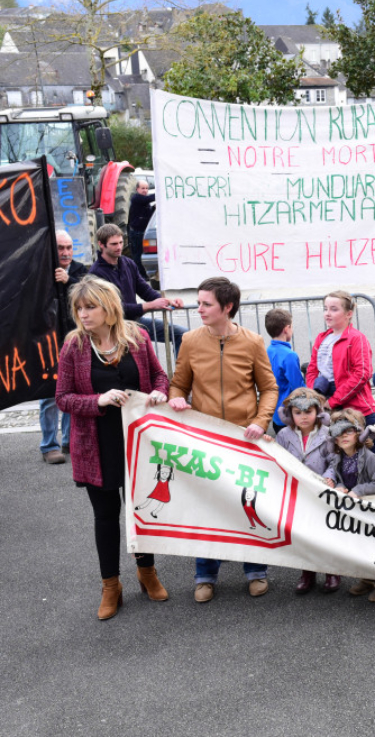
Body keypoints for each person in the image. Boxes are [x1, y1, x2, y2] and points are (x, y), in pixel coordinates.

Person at [55, 276, 170, 620]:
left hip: (138, 442)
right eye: (79, 307)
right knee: (105, 517)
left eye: (90, 306)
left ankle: (147, 572)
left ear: (110, 307)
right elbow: (63, 398)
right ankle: (110, 585)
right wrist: (98, 400)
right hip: (95, 445)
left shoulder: (137, 337)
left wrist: (159, 393)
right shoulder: (74, 345)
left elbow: (160, 376)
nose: (83, 314)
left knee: (140, 511)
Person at [168, 276, 279, 603]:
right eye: (199, 302)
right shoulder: (189, 340)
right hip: (205, 441)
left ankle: (256, 571)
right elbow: (179, 385)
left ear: (227, 307)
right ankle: (205, 575)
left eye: (206, 303)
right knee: (207, 507)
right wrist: (176, 398)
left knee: (248, 503)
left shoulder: (253, 342)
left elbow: (269, 388)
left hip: (245, 439)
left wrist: (260, 421)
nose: (198, 308)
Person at [273, 388, 340, 595]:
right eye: (298, 413)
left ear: (318, 412)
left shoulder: (327, 434)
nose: (303, 417)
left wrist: (330, 476)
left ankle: (331, 571)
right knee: (303, 533)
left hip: (321, 491)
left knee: (326, 532)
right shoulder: (284, 435)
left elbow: (334, 459)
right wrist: (268, 445)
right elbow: (278, 457)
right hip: (297, 492)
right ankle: (308, 572)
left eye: (308, 412)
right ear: (290, 414)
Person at [88, 223, 185, 354]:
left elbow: (145, 290)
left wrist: (167, 301)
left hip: (135, 322)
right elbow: (113, 309)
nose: (119, 247)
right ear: (101, 244)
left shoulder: (128, 263)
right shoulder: (95, 274)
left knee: (182, 334)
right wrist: (148, 306)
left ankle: (180, 374)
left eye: (121, 242)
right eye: (114, 244)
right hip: (113, 329)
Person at [328, 409, 375, 601]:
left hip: (373, 511)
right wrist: (339, 486)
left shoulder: (369, 457)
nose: (343, 437)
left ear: (358, 433)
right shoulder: (338, 459)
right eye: (338, 434)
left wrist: (359, 490)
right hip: (355, 511)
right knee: (361, 545)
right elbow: (340, 479)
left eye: (348, 431)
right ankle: (368, 579)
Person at [308, 290, 375, 442]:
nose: (328, 313)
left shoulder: (357, 338)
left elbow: (362, 373)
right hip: (329, 405)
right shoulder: (321, 338)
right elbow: (312, 370)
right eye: (325, 308)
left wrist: (334, 400)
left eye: (334, 309)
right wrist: (316, 398)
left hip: (356, 405)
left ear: (349, 314)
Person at [40, 229, 87, 464]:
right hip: (48, 342)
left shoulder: (80, 271)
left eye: (69, 247)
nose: (66, 252)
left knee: (73, 391)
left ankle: (69, 440)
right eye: (61, 248)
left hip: (74, 340)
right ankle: (49, 445)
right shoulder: (41, 270)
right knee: (49, 394)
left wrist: (69, 282)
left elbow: (90, 296)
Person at [265, 308, 305, 436]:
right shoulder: (289, 355)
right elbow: (298, 387)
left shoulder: (267, 351)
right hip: (289, 414)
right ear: (286, 329)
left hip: (276, 413)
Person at [127, 179, 156, 278]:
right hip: (137, 232)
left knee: (142, 254)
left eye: (147, 188)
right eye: (142, 188)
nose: (145, 190)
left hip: (143, 232)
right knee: (138, 255)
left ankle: (143, 274)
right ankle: (140, 275)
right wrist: (161, 192)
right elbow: (148, 199)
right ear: (137, 189)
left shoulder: (144, 201)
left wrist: (154, 208)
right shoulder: (137, 198)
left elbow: (148, 213)